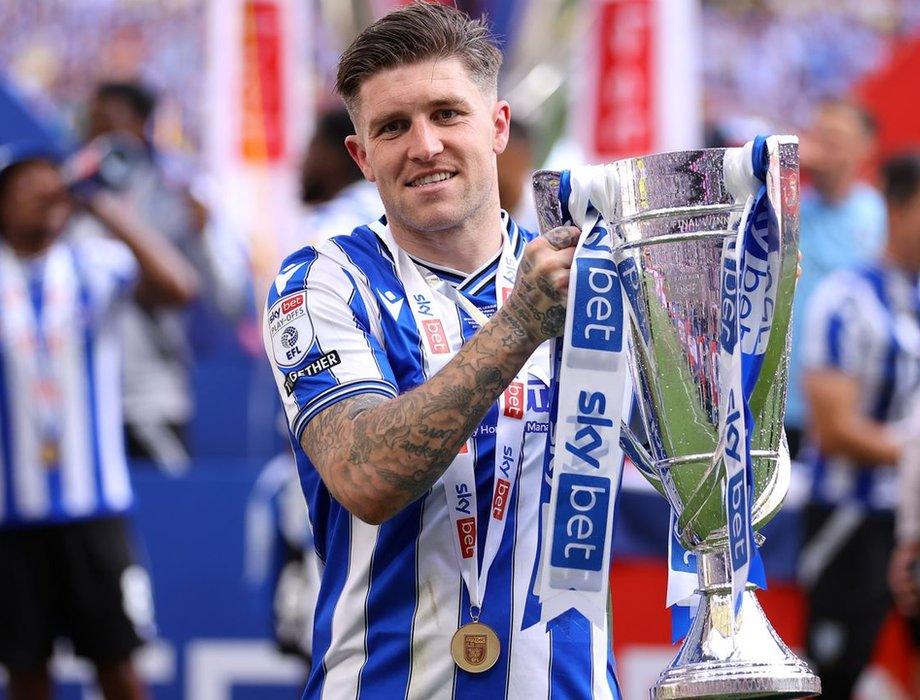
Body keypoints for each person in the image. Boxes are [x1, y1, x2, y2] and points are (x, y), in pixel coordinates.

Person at [263, 4, 619, 698]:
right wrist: (519, 326)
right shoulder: (320, 279)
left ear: (498, 126)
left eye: (447, 114)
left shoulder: (595, 275)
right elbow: (366, 477)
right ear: (362, 156)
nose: (424, 146)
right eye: (392, 127)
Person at [0, 146, 199, 699]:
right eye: (26, 186)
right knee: (25, 672)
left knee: (118, 666)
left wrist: (103, 205)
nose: (46, 194)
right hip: (11, 518)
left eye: (52, 183)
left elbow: (179, 287)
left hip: (95, 512)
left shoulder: (91, 263)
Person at [798, 151, 920, 697]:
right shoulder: (842, 299)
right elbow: (834, 428)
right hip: (853, 519)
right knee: (836, 672)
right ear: (896, 211)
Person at [87, 81, 249, 473]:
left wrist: (203, 232)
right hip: (81, 395)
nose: (100, 136)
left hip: (149, 395)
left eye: (112, 122)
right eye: (93, 125)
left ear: (142, 123)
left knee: (168, 513)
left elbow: (226, 302)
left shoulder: (178, 193)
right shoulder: (71, 196)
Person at [784, 99, 886, 457]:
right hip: (781, 403)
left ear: (865, 147)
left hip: (843, 407)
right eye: (818, 135)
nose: (823, 147)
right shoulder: (784, 209)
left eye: (836, 138)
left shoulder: (879, 220)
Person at [300, 109, 383, 243]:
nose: (302, 163)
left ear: (333, 158)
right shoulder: (383, 208)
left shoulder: (340, 224)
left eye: (313, 148)